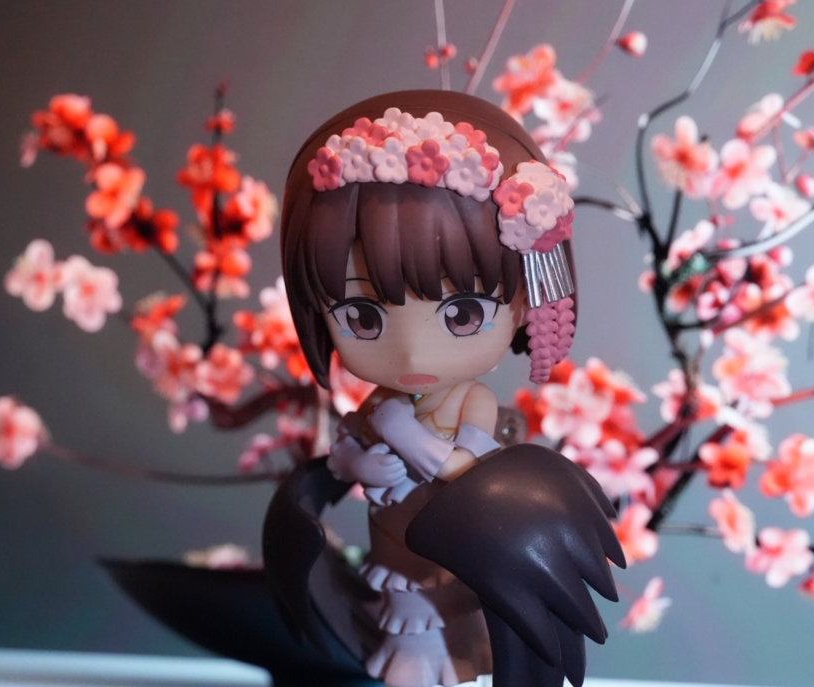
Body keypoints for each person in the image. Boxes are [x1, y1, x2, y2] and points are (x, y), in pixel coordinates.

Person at [265, 90, 624, 687]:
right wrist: (360, 463)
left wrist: (404, 436)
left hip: (450, 552)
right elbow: (344, 454)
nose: (412, 355)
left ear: (522, 303)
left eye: (462, 313)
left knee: (448, 626)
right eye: (361, 317)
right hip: (392, 543)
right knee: (402, 632)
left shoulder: (468, 402)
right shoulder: (380, 403)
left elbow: (466, 470)